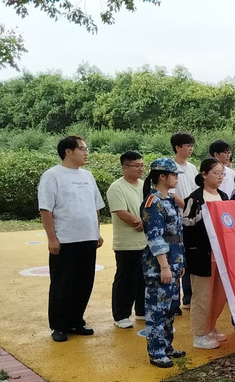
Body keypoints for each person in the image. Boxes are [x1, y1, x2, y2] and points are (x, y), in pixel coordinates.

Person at [38, 136, 105, 342]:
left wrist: (96, 232)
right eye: (82, 149)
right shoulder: (52, 175)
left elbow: (96, 206)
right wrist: (52, 238)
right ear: (68, 151)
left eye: (86, 149)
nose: (86, 153)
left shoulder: (87, 175)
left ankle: (76, 321)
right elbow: (46, 209)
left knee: (84, 282)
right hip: (65, 240)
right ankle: (59, 326)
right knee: (62, 283)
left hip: (88, 238)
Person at [140, 158, 186, 368]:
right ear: (162, 176)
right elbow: (155, 237)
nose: (176, 178)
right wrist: (165, 266)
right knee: (157, 309)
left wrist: (179, 263)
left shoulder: (169, 200)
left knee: (170, 308)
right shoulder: (153, 202)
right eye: (173, 175)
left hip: (174, 261)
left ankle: (167, 347)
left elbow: (176, 235)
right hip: (159, 265)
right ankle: (156, 352)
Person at [183, 158, 230, 349]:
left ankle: (211, 326)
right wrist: (204, 215)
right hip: (201, 253)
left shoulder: (224, 196)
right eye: (215, 173)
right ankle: (200, 334)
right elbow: (186, 225)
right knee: (202, 295)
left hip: (221, 252)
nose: (220, 177)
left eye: (222, 174)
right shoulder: (195, 198)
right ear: (204, 175)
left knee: (219, 294)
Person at [106, 151, 146, 329]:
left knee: (144, 278)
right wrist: (139, 223)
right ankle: (121, 315)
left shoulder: (144, 185)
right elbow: (121, 212)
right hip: (127, 243)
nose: (141, 169)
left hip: (145, 241)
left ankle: (142, 310)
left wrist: (146, 223)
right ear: (125, 167)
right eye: (136, 166)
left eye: (142, 165)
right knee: (126, 279)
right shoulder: (117, 187)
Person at [170, 132, 197, 314]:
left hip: (191, 219)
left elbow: (196, 190)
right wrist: (186, 206)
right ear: (177, 147)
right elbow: (170, 193)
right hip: (176, 219)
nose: (190, 149)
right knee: (176, 259)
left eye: (191, 146)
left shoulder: (192, 168)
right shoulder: (170, 167)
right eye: (187, 145)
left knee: (190, 258)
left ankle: (189, 298)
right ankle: (174, 303)